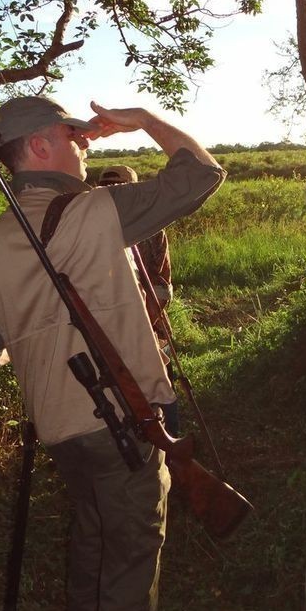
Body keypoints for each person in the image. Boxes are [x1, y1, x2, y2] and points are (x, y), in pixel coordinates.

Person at [0, 94, 225, 611]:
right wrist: (147, 121)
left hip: (59, 430)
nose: (85, 144)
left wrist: (31, 326)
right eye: (73, 137)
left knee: (93, 531)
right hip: (124, 423)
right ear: (39, 147)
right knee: (130, 560)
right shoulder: (98, 210)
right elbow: (203, 175)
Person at [97, 165, 179, 436]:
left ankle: (172, 447)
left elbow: (161, 285)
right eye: (107, 187)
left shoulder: (152, 229)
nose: (113, 192)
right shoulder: (90, 228)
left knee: (161, 383)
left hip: (149, 320)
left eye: (119, 187)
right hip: (107, 326)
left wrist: (145, 322)